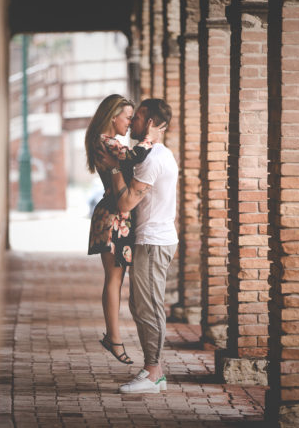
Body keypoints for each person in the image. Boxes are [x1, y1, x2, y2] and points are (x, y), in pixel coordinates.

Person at [96, 98, 178, 394]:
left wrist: (115, 169)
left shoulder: (153, 158)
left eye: (138, 117)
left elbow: (126, 202)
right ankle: (152, 369)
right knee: (140, 304)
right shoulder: (155, 154)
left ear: (151, 124)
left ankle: (154, 373)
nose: (132, 123)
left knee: (149, 306)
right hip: (150, 238)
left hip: (153, 240)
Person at [85, 94, 166, 365]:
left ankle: (113, 336)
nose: (130, 123)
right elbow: (132, 158)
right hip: (113, 217)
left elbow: (128, 159)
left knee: (116, 279)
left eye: (134, 117)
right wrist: (149, 139)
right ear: (113, 117)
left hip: (116, 215)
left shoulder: (108, 142)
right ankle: (114, 338)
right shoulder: (106, 142)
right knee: (114, 279)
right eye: (128, 117)